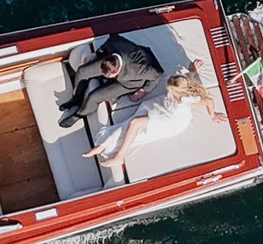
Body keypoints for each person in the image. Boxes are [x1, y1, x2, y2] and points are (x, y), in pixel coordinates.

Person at [83, 64, 219, 169]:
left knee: (135, 123)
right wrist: (193, 70)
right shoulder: (182, 86)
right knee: (130, 123)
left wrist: (213, 115)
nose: (167, 90)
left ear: (178, 94)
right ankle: (103, 145)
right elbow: (187, 80)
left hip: (171, 121)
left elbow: (208, 101)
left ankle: (120, 155)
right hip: (162, 108)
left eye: (170, 90)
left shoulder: (187, 101)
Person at [60, 33, 164, 124]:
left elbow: (157, 74)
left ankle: (79, 114)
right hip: (118, 61)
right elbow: (111, 40)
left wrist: (144, 90)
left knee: (94, 96)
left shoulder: (137, 70)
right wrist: (96, 54)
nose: (104, 77)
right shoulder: (115, 46)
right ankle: (76, 99)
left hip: (129, 83)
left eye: (108, 76)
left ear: (116, 71)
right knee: (82, 71)